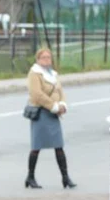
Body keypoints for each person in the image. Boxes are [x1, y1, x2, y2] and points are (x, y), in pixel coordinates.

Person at [24, 47, 74, 190]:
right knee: (36, 147)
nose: (47, 60)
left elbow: (60, 91)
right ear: (38, 59)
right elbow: (36, 94)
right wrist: (54, 106)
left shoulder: (53, 74)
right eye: (44, 57)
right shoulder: (35, 74)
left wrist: (62, 104)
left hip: (53, 115)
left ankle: (65, 177)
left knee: (59, 146)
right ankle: (30, 176)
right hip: (41, 114)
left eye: (49, 57)